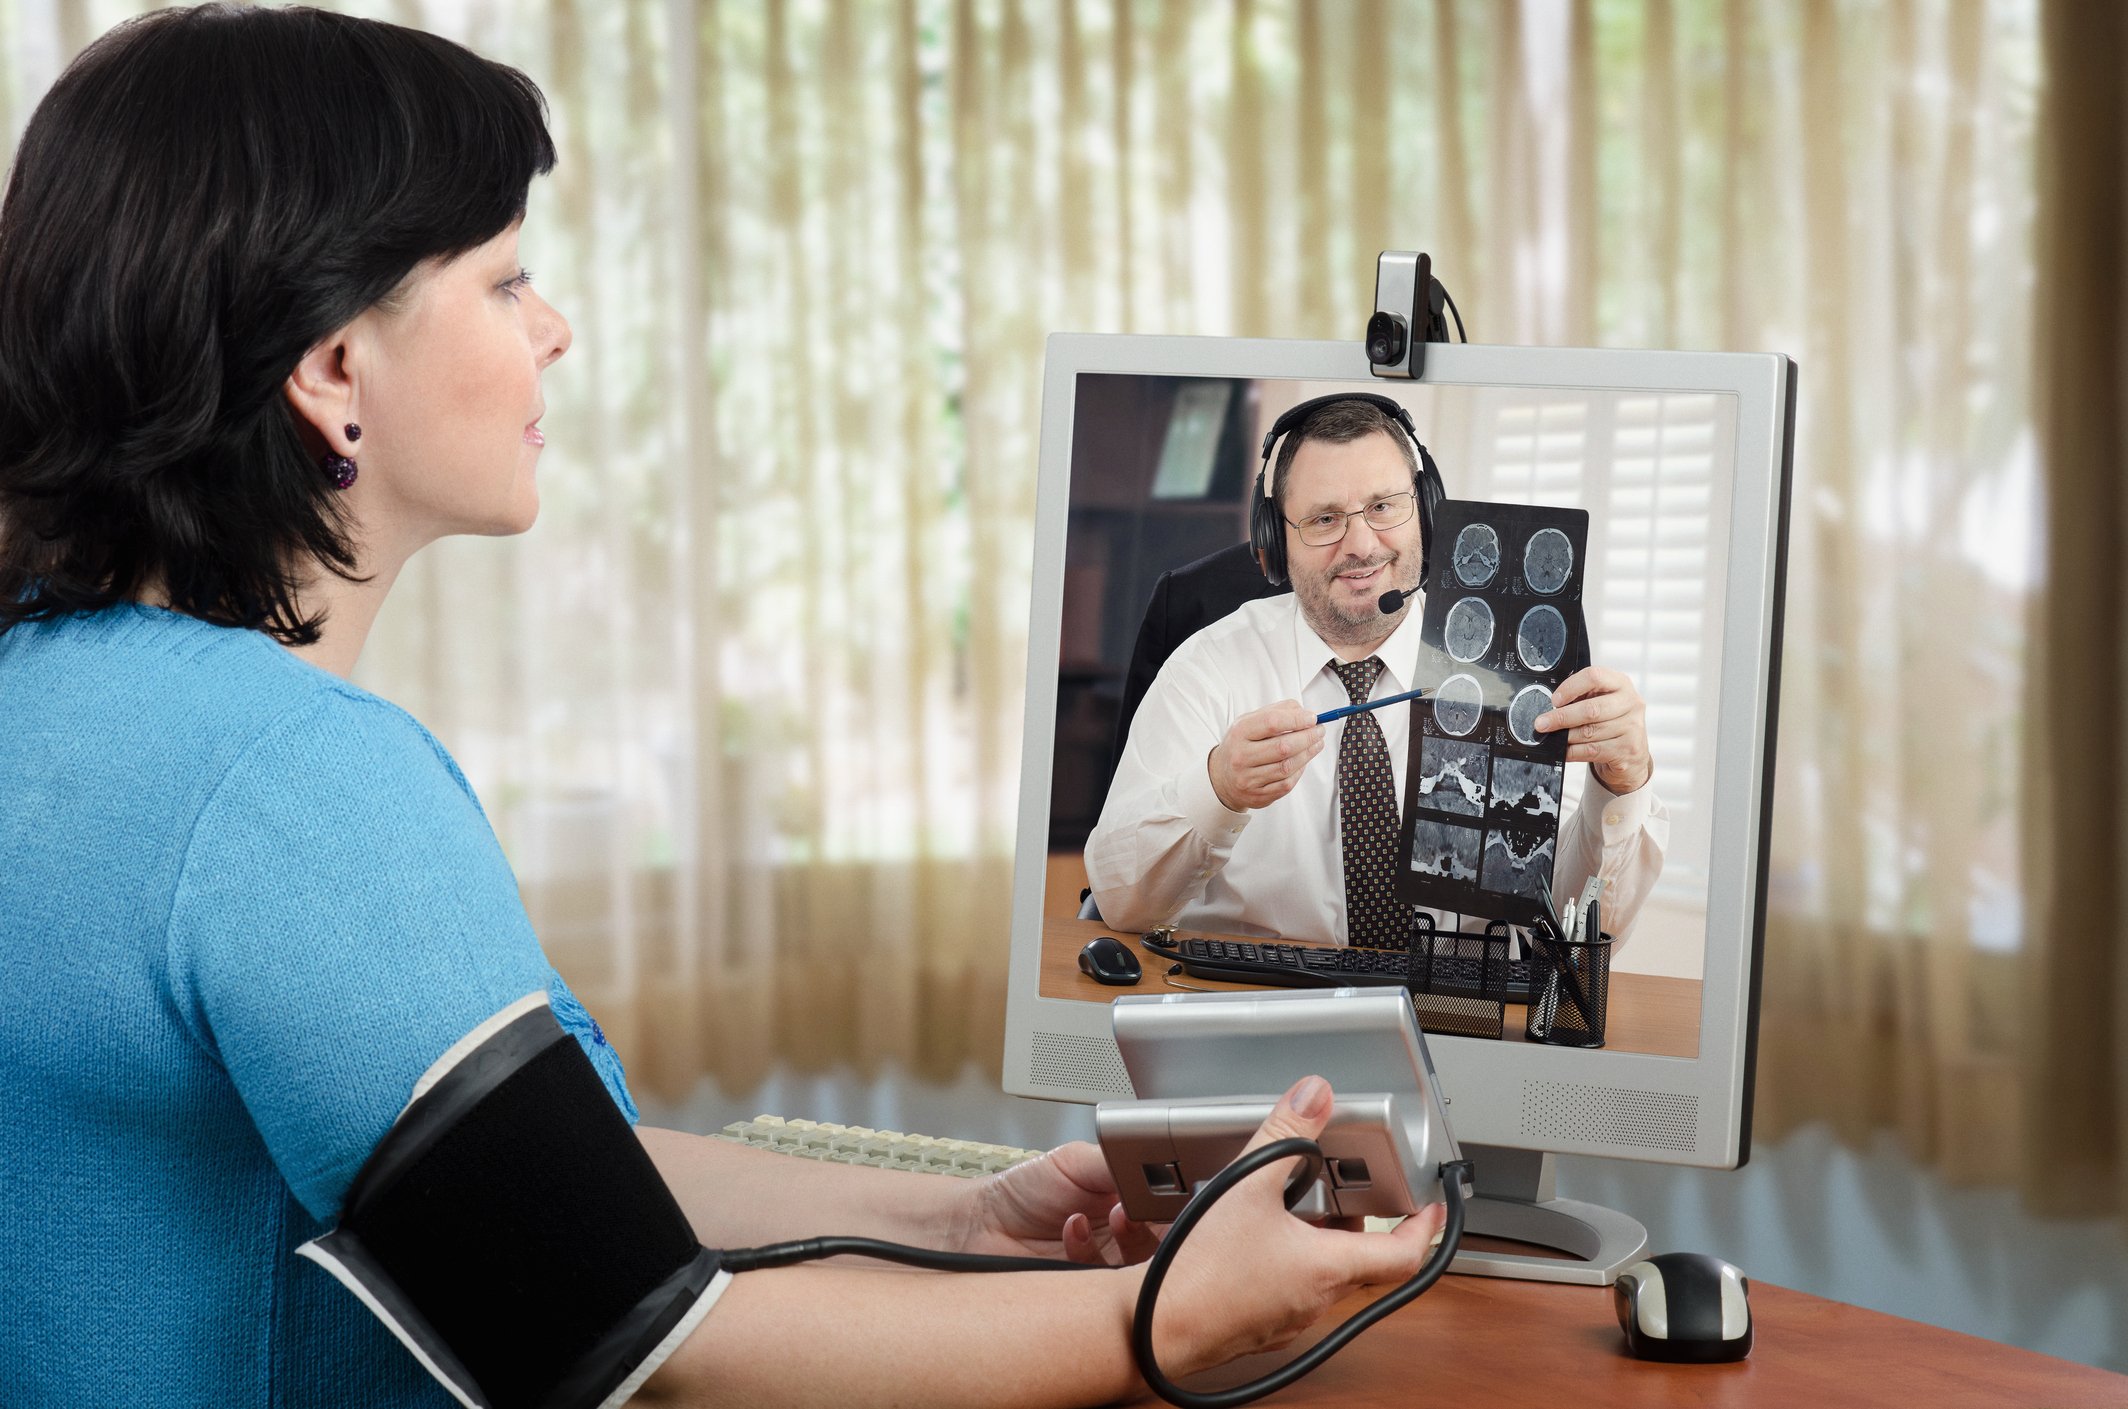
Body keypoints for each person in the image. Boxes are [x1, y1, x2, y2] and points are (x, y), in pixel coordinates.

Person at [0, 8, 1444, 1406]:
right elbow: (632, 1339)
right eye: (504, 281)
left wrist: (958, 1220)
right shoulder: (287, 783)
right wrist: (1171, 1317)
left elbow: (536, 1189)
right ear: (330, 370)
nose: (552, 329)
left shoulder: (54, 705)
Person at [1086, 398, 1669, 949]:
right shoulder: (1208, 667)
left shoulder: (1514, 667)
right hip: (1257, 1012)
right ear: (1272, 544)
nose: (1361, 545)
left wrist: (1621, 786)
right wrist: (1218, 788)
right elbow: (1119, 902)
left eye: (1384, 506)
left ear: (1427, 513)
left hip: (1459, 1017)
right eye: (1323, 519)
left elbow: (1575, 935)